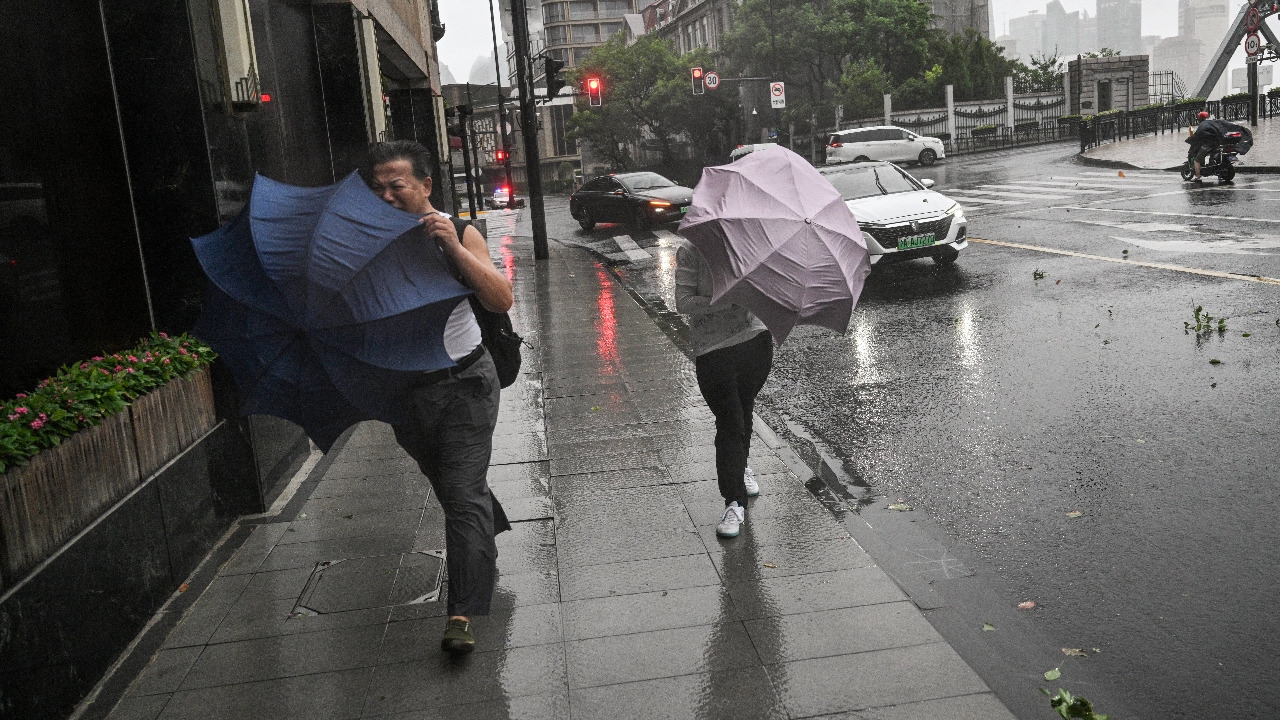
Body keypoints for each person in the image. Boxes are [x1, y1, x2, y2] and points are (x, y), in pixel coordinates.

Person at [363, 140, 514, 654]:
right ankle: (485, 530)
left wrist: (450, 244)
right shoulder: (370, 243)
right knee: (451, 485)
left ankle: (462, 613)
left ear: (425, 185)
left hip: (467, 382)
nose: (386, 196)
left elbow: (499, 296)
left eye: (396, 185)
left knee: (461, 495)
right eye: (377, 188)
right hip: (406, 392)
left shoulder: (461, 229)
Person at [675, 239, 773, 538]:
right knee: (730, 422)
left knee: (743, 411)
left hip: (754, 342)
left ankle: (740, 467)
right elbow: (683, 303)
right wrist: (728, 298)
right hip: (712, 349)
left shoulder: (752, 245)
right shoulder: (691, 251)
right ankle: (734, 502)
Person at [1187, 111, 1217, 182]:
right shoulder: (1211, 124)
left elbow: (1197, 135)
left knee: (1196, 160)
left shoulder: (1202, 126)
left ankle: (1198, 176)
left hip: (1207, 146)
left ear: (1200, 119)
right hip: (1215, 145)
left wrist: (1190, 139)